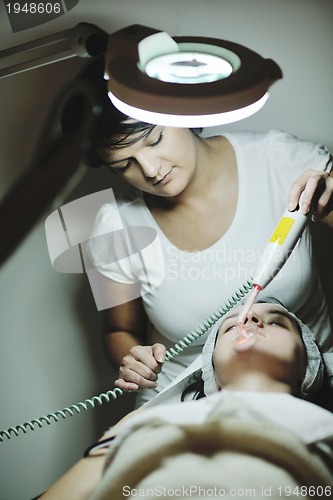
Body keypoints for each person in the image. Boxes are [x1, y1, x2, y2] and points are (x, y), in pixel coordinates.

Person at [66, 57, 333, 406]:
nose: (149, 170)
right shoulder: (114, 226)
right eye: (124, 164)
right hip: (186, 408)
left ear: (185, 113)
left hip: (311, 394)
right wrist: (132, 358)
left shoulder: (279, 161)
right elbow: (119, 330)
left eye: (155, 140)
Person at [39, 302, 333, 499]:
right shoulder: (152, 420)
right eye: (231, 327)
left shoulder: (323, 428)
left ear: (307, 372)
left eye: (278, 324)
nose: (251, 319)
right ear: (212, 377)